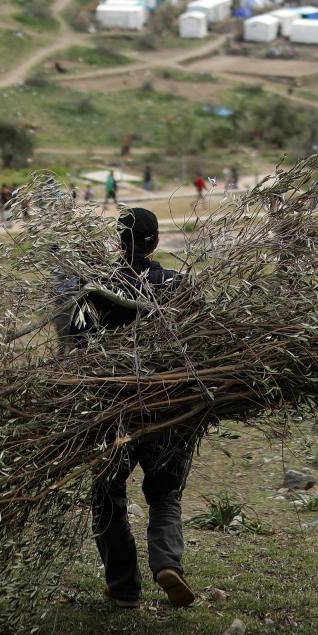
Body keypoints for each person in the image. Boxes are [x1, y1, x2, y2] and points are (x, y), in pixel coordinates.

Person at [75, 208, 196, 610]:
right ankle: (166, 563)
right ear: (156, 242)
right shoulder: (175, 285)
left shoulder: (96, 289)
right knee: (164, 495)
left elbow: (76, 347)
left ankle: (124, 585)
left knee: (108, 493)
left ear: (118, 243)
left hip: (115, 411)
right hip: (170, 408)